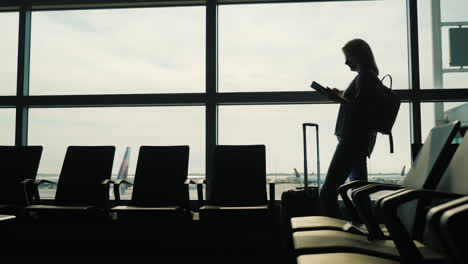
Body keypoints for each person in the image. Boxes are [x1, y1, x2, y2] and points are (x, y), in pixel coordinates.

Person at [319, 38, 379, 218]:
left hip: (352, 142)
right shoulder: (367, 77)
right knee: (360, 193)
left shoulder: (365, 77)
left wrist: (339, 99)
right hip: (358, 142)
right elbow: (361, 105)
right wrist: (341, 96)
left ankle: (337, 235)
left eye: (348, 57)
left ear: (358, 56)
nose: (346, 62)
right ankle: (369, 234)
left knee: (327, 193)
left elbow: (360, 108)